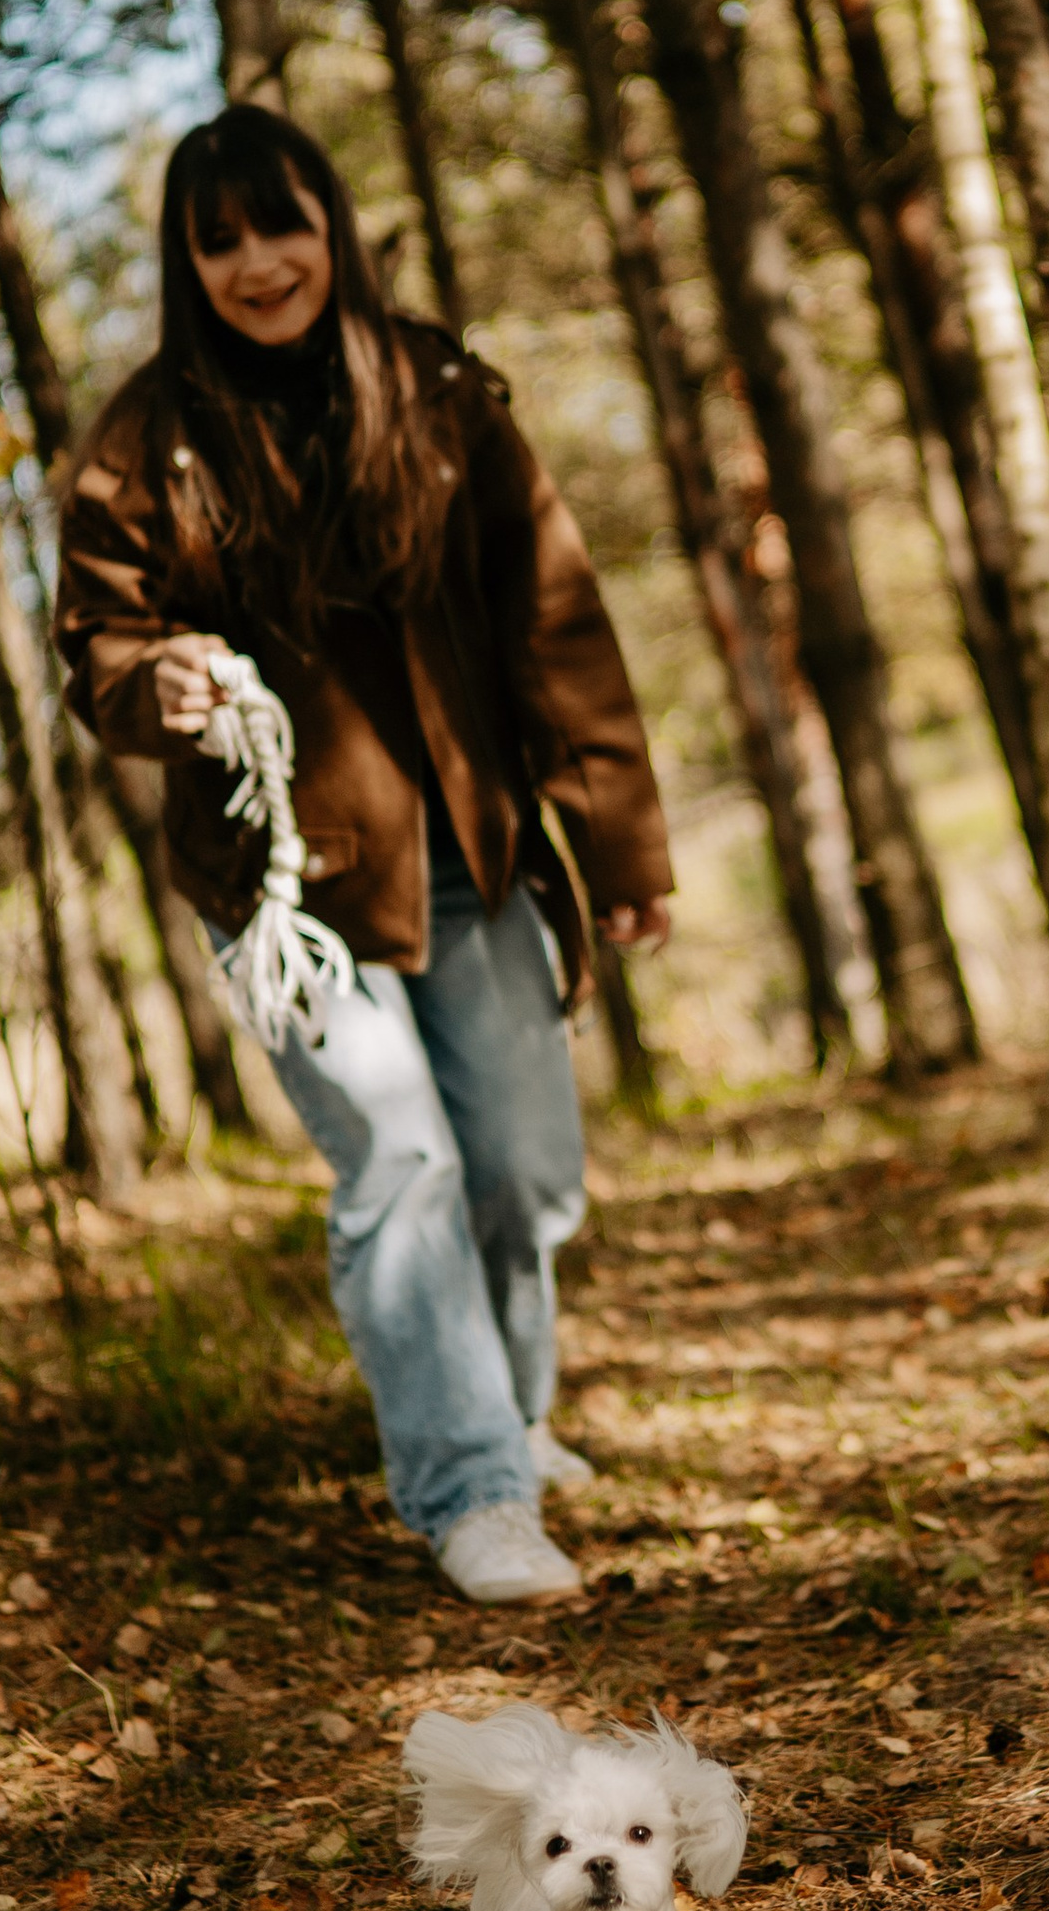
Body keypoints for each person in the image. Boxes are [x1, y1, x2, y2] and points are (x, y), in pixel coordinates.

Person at [55, 105, 673, 1605]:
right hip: (281, 886)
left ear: (331, 226)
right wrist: (160, 686)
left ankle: (513, 1421)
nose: (260, 264)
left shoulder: (440, 388)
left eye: (283, 226)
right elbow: (100, 649)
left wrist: (618, 833)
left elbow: (556, 618)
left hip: (471, 849)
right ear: (188, 264)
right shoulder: (147, 440)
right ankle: (470, 1493)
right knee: (400, 1156)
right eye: (222, 241)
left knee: (522, 1172)